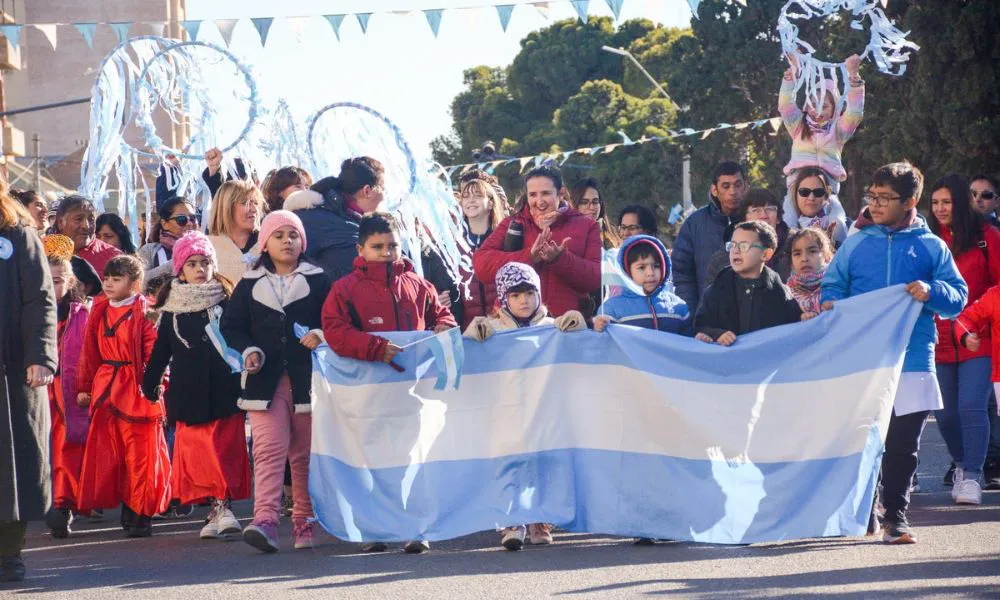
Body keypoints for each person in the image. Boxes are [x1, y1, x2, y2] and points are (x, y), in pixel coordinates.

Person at [822, 161, 967, 544]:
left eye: (886, 198)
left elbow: (958, 298)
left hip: (915, 359)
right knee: (864, 439)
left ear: (911, 201)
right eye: (873, 196)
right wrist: (832, 304)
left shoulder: (932, 247)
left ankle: (897, 518)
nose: (877, 204)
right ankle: (865, 509)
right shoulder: (855, 243)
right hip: (862, 362)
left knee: (904, 444)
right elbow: (832, 286)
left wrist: (931, 291)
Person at [321, 212, 457, 554]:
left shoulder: (418, 284)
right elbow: (335, 331)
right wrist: (375, 348)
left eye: (392, 245)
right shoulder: (344, 289)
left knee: (412, 458)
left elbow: (443, 316)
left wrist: (443, 327)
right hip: (367, 396)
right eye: (377, 246)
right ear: (361, 249)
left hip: (413, 393)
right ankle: (374, 528)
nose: (386, 252)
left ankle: (415, 527)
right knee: (372, 460)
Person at [220, 211, 329, 553]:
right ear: (264, 242)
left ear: (302, 242)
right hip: (263, 382)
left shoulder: (320, 280)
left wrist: (320, 334)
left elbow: (337, 320)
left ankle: (304, 522)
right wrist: (248, 350)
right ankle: (264, 520)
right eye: (279, 235)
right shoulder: (249, 282)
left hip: (308, 379)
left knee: (303, 454)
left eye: (293, 235)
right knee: (268, 451)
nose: (287, 241)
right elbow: (230, 328)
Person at [462, 262, 586, 551]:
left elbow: (580, 351)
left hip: (545, 410)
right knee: (509, 465)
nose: (524, 301)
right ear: (504, 298)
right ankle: (511, 521)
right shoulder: (490, 329)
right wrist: (471, 333)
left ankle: (540, 518)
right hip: (506, 412)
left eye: (529, 293)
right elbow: (467, 358)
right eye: (516, 295)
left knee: (545, 463)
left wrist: (578, 325)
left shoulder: (553, 327)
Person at [142, 231, 250, 540]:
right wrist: (150, 383)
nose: (200, 269)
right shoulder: (172, 309)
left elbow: (239, 340)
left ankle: (223, 506)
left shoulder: (226, 301)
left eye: (205, 262)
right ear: (180, 269)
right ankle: (215, 509)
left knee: (224, 448)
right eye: (192, 263)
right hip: (188, 393)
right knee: (199, 452)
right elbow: (162, 351)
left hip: (225, 391)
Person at [75, 255, 171, 538]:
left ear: (135, 284)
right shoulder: (100, 308)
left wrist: (156, 385)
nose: (108, 284)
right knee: (114, 455)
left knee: (141, 454)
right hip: (107, 388)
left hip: (137, 388)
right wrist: (85, 386)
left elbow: (156, 354)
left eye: (117, 279)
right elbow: (89, 352)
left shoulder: (146, 311)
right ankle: (127, 506)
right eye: (106, 278)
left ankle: (141, 512)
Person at [927, 174, 1000, 504]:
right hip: (939, 339)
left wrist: (976, 321)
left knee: (972, 407)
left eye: (947, 202)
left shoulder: (987, 237)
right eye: (935, 202)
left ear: (960, 202)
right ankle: (960, 464)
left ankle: (972, 476)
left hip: (980, 338)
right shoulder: (927, 239)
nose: (941, 209)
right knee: (944, 414)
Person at [0, 184, 58, 583]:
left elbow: (40, 297)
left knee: (14, 464)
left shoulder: (18, 233)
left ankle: (7, 553)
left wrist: (40, 355)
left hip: (12, 369)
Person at [474, 165, 601, 318]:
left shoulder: (586, 225)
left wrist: (561, 260)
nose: (539, 202)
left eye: (546, 193)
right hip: (518, 324)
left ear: (560, 194)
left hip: (566, 325)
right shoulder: (514, 223)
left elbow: (595, 279)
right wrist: (529, 257)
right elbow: (481, 266)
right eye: (533, 195)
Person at [40, 236, 91, 539]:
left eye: (58, 280)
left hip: (68, 392)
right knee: (42, 448)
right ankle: (45, 499)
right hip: (39, 389)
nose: (52, 286)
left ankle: (63, 504)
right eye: (47, 279)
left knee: (67, 447)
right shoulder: (29, 314)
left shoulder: (80, 315)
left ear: (70, 281)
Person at [779, 53, 863, 230]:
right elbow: (786, 105)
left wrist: (853, 76)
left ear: (834, 109)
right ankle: (788, 247)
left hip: (827, 189)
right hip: (797, 188)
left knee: (838, 222)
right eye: (813, 104)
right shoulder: (798, 126)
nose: (817, 111)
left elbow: (855, 113)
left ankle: (837, 249)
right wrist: (792, 76)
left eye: (823, 106)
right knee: (787, 220)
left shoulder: (838, 131)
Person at [695, 221, 807, 346]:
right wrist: (716, 334)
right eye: (732, 245)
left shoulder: (780, 293)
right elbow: (701, 325)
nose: (735, 251)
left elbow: (794, 329)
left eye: (744, 246)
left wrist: (806, 318)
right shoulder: (716, 290)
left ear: (765, 254)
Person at [285, 156, 387, 282]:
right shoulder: (318, 220)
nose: (384, 197)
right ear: (367, 191)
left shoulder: (352, 221)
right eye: (383, 189)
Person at [672, 161, 747, 319]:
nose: (733, 192)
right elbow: (682, 275)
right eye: (726, 186)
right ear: (714, 190)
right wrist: (694, 317)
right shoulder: (694, 224)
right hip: (709, 322)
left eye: (738, 185)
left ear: (746, 186)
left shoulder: (755, 221)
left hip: (752, 319)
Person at [593, 235, 689, 334]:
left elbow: (688, 342)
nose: (650, 273)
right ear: (627, 271)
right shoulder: (611, 309)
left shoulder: (678, 306)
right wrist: (598, 329)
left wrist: (699, 339)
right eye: (642, 267)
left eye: (656, 266)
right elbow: (604, 344)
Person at [705, 188, 792, 286]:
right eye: (756, 210)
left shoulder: (794, 249)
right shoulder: (723, 259)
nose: (764, 215)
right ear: (744, 220)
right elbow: (711, 299)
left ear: (778, 218)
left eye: (770, 209)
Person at [458, 177, 506, 328]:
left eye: (478, 195)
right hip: (467, 329)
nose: (470, 200)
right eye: (466, 197)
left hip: (502, 326)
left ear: (490, 203)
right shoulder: (454, 243)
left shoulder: (505, 239)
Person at [206, 179, 263, 284]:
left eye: (255, 203)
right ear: (227, 207)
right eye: (246, 203)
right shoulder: (206, 247)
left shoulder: (268, 242)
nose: (254, 209)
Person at [54, 195, 121, 277]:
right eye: (78, 219)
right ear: (61, 222)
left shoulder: (114, 257)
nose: (86, 226)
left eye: (91, 219)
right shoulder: (44, 252)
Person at [138, 197, 199, 285]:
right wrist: (181, 256)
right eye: (181, 219)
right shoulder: (149, 250)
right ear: (164, 224)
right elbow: (140, 283)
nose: (189, 223)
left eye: (193, 218)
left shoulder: (207, 247)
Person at [784, 168, 848, 246]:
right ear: (795, 195)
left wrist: (831, 246)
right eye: (804, 192)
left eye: (818, 192)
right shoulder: (779, 231)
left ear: (826, 196)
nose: (811, 198)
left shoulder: (849, 228)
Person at [785, 228, 835, 314]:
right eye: (797, 254)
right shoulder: (786, 293)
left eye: (812, 251)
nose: (804, 259)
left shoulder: (838, 285)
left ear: (826, 255)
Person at [571, 178, 621, 249]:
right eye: (584, 202)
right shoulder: (565, 234)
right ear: (574, 204)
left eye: (595, 202)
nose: (591, 207)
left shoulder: (614, 235)